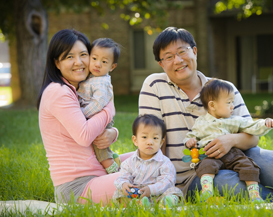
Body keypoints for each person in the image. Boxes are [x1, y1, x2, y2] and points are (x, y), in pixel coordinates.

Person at [138, 26, 273, 201]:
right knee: (232, 186)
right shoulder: (155, 85)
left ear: (195, 51)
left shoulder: (224, 89)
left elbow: (252, 139)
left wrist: (230, 141)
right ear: (161, 64)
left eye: (182, 52)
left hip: (237, 157)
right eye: (169, 57)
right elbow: (152, 138)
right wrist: (162, 184)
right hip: (192, 176)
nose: (178, 61)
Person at [37, 29, 133, 205]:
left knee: (152, 157)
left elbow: (92, 128)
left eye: (83, 54)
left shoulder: (77, 89)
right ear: (56, 63)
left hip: (96, 174)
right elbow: (84, 135)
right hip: (77, 186)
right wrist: (109, 109)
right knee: (145, 174)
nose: (79, 62)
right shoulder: (58, 92)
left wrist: (114, 133)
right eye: (69, 57)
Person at [184, 78, 273, 202]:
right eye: (228, 102)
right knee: (205, 166)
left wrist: (265, 124)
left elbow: (252, 127)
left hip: (234, 154)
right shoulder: (201, 123)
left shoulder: (235, 120)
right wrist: (189, 141)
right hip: (211, 154)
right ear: (212, 105)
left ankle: (255, 195)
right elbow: (192, 136)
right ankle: (206, 191)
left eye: (232, 102)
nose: (232, 106)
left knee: (249, 166)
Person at [113, 114, 183, 207]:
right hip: (137, 194)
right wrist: (124, 184)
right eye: (144, 137)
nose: (150, 142)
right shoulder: (129, 163)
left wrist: (151, 190)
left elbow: (168, 181)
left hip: (158, 194)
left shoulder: (165, 162)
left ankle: (164, 203)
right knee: (118, 194)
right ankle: (135, 204)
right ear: (135, 140)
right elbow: (122, 177)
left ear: (161, 142)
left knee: (176, 192)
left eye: (155, 138)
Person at [77, 38, 121, 174]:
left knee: (99, 145)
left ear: (112, 67)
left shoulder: (102, 82)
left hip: (98, 117)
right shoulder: (91, 76)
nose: (97, 64)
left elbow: (98, 104)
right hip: (93, 115)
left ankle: (112, 169)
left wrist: (81, 114)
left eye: (104, 62)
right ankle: (113, 156)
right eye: (94, 58)